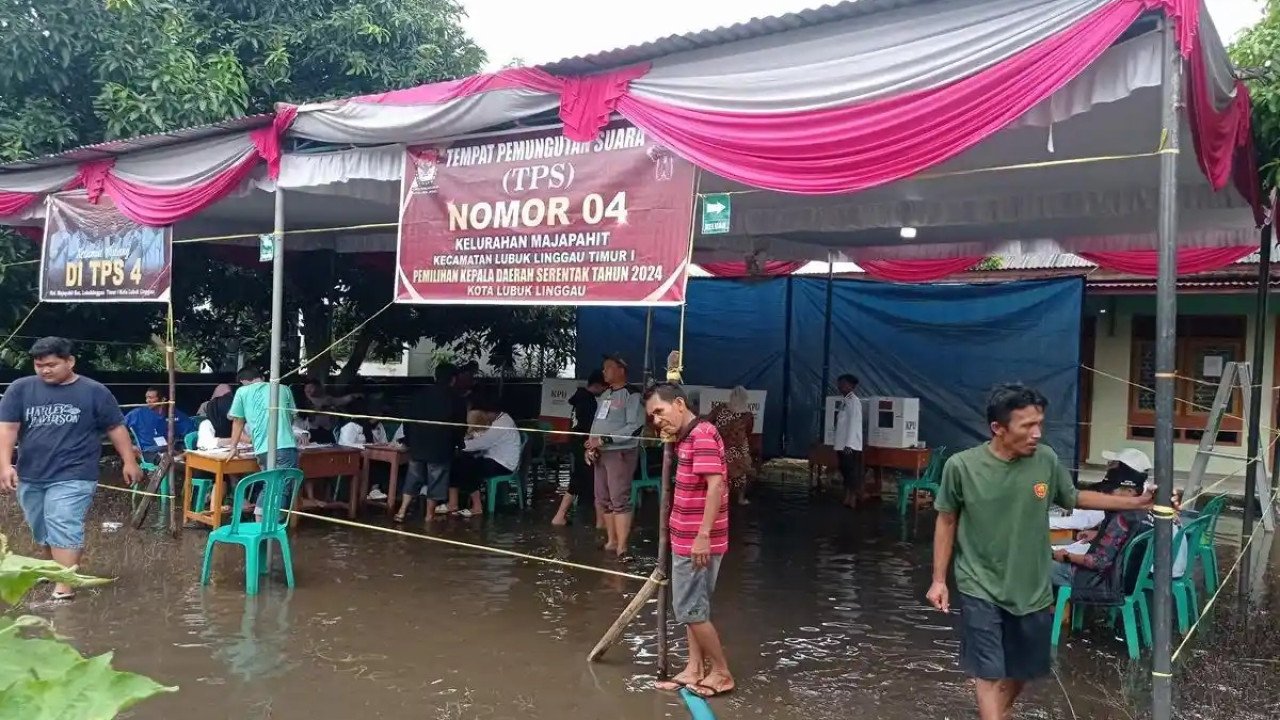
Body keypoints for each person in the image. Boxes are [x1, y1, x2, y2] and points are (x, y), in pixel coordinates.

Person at [927, 384, 1154, 720]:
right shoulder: (961, 467)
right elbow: (946, 521)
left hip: (1033, 586)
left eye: (1040, 424)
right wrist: (938, 580)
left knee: (1025, 670)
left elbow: (1074, 497)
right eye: (1027, 426)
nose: (1036, 433)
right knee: (988, 671)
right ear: (998, 429)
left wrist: (1134, 502)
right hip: (980, 583)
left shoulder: (1045, 459)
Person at [0, 337, 143, 601]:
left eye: (51, 365)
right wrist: (4, 465)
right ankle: (56, 570)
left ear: (70, 361)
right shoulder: (20, 389)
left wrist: (129, 460)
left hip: (75, 472)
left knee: (63, 522)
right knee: (41, 527)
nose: (44, 370)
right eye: (39, 365)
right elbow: (8, 428)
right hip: (31, 472)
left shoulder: (94, 391)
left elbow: (115, 427)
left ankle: (64, 587)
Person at [644, 383, 734, 698]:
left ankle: (721, 673)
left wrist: (703, 536)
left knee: (690, 610)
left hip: (697, 541)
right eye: (652, 416)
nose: (656, 421)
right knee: (696, 608)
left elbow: (715, 486)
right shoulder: (688, 436)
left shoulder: (702, 435)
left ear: (680, 404)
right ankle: (695, 668)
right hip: (688, 538)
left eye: (660, 411)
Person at [587, 354, 644, 558]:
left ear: (621, 370)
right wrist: (591, 444)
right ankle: (611, 541)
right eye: (604, 368)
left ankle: (622, 546)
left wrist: (605, 440)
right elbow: (597, 422)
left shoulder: (632, 395)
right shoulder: (606, 394)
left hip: (619, 452)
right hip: (600, 453)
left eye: (608, 368)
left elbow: (635, 427)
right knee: (603, 497)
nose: (604, 372)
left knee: (619, 498)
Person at [398, 363, 466, 522]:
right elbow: (460, 426)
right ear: (453, 379)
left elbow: (408, 420)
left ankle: (401, 511)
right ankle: (429, 515)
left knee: (413, 478)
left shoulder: (419, 394)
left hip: (418, 445)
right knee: (436, 481)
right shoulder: (456, 399)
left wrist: (408, 440)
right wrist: (458, 444)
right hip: (440, 447)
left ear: (436, 376)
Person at [449, 393, 520, 518]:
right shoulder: (500, 419)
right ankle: (453, 503)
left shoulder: (502, 424)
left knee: (467, 466)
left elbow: (483, 443)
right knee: (458, 462)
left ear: (491, 412)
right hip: (494, 458)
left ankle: (477, 506)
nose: (484, 417)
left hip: (503, 464)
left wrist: (458, 444)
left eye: (485, 413)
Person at [552, 370, 607, 527]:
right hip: (583, 443)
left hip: (577, 441)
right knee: (583, 478)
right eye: (603, 388)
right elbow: (589, 426)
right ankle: (561, 515)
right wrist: (591, 444)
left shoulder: (578, 398)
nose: (603, 391)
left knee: (582, 478)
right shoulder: (587, 402)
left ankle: (563, 515)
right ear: (596, 386)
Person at [226, 366, 299, 472]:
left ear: (242, 381)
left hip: (262, 449)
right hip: (286, 445)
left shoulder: (242, 392)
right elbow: (291, 418)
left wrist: (233, 447)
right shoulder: (284, 388)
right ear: (261, 378)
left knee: (270, 483)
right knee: (284, 486)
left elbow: (238, 421)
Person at [706, 386, 754, 506]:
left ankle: (721, 499)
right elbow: (748, 431)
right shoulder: (747, 415)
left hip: (724, 446)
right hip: (733, 447)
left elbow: (708, 422)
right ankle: (739, 499)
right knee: (739, 474)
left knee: (724, 473)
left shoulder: (721, 409)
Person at [123, 386, 195, 462]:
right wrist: (130, 446)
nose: (147, 401)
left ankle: (174, 460)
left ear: (163, 399)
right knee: (166, 461)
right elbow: (118, 428)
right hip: (148, 452)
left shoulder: (173, 413)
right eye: (146, 398)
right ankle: (172, 461)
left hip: (169, 450)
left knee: (188, 457)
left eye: (151, 398)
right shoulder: (137, 413)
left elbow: (191, 432)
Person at [833, 374, 864, 509]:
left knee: (851, 472)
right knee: (845, 471)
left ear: (852, 386)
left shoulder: (854, 401)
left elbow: (854, 424)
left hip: (849, 445)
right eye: (840, 383)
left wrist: (849, 445)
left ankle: (852, 499)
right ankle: (847, 497)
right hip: (842, 444)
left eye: (844, 384)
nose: (840, 386)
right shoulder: (845, 401)